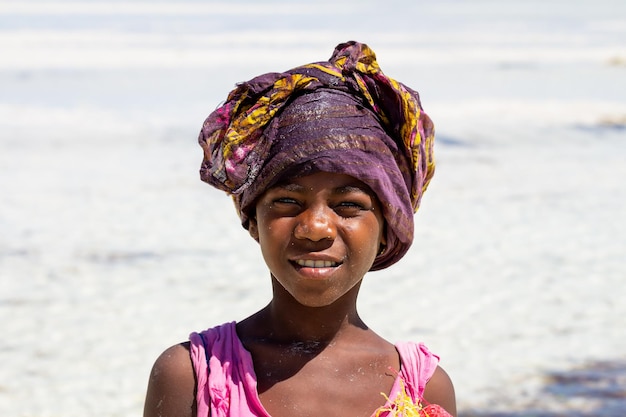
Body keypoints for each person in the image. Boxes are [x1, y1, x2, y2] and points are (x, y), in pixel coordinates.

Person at [143, 41, 456, 417]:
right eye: (288, 202)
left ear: (388, 227)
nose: (315, 227)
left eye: (349, 206)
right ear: (253, 221)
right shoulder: (192, 375)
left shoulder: (422, 388)